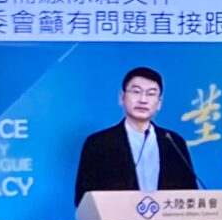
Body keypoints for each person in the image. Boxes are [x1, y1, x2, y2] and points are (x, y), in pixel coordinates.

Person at [74, 67, 198, 206]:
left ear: (159, 103)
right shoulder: (98, 143)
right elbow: (84, 198)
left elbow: (190, 196)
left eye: (151, 94)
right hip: (117, 219)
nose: (143, 100)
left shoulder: (174, 142)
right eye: (136, 92)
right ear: (122, 97)